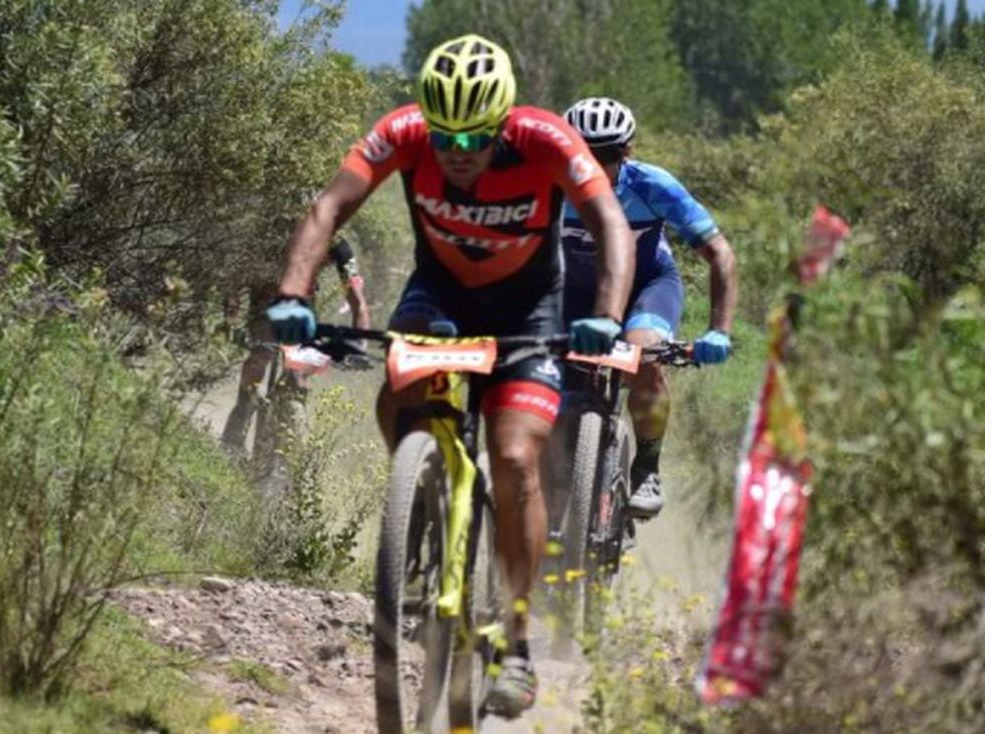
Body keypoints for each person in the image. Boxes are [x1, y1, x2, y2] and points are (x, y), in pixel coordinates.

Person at [266, 35, 634, 717]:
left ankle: (516, 645)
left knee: (518, 454)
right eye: (445, 140)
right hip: (438, 296)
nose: (458, 156)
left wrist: (607, 315)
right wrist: (293, 292)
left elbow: (610, 224)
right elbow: (328, 208)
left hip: (531, 307)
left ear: (502, 123)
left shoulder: (544, 139)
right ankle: (424, 490)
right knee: (398, 395)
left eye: (475, 140)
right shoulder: (400, 131)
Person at [561, 97, 738, 520]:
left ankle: (646, 467)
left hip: (647, 285)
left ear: (627, 152)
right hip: (572, 290)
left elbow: (720, 254)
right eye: (582, 154)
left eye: (605, 155)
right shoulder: (547, 185)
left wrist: (720, 330)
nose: (594, 165)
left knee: (644, 356)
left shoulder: (653, 185)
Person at [222, 238, 370, 483]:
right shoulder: (274, 228)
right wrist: (230, 319)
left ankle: (289, 450)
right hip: (265, 303)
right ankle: (235, 433)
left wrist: (359, 345)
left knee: (299, 371)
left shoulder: (337, 244)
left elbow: (357, 299)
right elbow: (237, 275)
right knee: (261, 356)